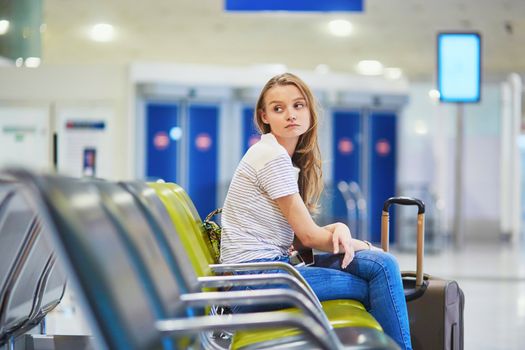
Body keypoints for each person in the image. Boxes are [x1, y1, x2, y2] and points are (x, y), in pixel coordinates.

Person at [220, 72, 412, 349]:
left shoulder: (280, 157)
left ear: (309, 110)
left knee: (381, 265)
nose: (290, 115)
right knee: (379, 276)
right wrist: (367, 245)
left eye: (298, 105)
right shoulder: (271, 157)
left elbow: (301, 237)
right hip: (255, 283)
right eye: (278, 108)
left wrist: (340, 229)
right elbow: (309, 238)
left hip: (270, 272)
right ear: (264, 117)